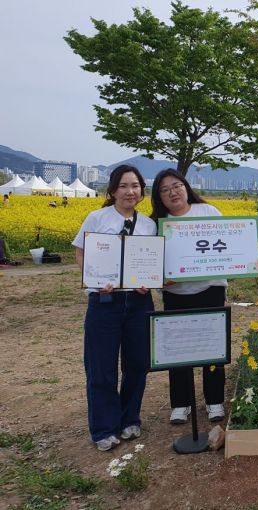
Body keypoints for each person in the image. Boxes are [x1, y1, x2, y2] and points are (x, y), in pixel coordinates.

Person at [72, 165, 156, 451]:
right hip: (104, 302)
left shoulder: (148, 224)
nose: (130, 191)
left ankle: (129, 418)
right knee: (101, 367)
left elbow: (149, 261)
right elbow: (81, 252)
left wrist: (147, 282)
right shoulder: (97, 218)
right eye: (123, 186)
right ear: (112, 190)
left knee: (137, 364)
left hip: (139, 302)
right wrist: (94, 281)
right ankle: (104, 428)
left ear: (141, 191)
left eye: (135, 185)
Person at [150, 169, 228, 424]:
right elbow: (152, 265)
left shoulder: (208, 212)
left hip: (211, 289)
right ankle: (181, 403)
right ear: (158, 197)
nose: (173, 192)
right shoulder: (157, 223)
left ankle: (215, 401)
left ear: (186, 187)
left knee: (213, 344)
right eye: (165, 189)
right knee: (178, 348)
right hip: (176, 293)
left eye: (177, 185)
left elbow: (230, 244)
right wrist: (161, 279)